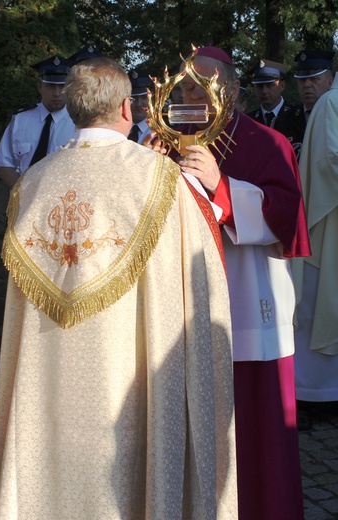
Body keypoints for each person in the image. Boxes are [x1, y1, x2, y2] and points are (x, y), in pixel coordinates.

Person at [0, 57, 238, 520]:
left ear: (76, 109)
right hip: (130, 373)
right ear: (127, 108)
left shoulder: (32, 184)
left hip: (48, 378)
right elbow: (201, 284)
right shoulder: (161, 180)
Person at [167, 46, 310, 520]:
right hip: (183, 305)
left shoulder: (267, 143)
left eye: (202, 84)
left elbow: (287, 218)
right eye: (185, 85)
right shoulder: (167, 143)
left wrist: (222, 187)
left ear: (227, 87)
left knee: (259, 430)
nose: (192, 94)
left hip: (250, 303)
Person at [292, 71, 338, 424]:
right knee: (318, 306)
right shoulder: (330, 103)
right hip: (329, 221)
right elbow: (329, 161)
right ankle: (311, 396)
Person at [0, 55, 75, 188]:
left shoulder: (78, 122)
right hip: (24, 197)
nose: (57, 93)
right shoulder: (21, 119)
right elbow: (5, 165)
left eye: (62, 87)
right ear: (39, 87)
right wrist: (24, 196)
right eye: (50, 86)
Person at [281, 50, 335, 158]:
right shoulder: (284, 120)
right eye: (302, 80)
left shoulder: (335, 117)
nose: (306, 85)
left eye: (314, 79)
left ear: (330, 82)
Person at [248, 58, 293, 129]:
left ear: (282, 85)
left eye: (269, 85)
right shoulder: (250, 121)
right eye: (259, 86)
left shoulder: (295, 116)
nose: (264, 91)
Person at [127, 68, 157, 143]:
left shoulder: (160, 131)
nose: (139, 104)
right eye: (133, 98)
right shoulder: (118, 131)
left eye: (144, 97)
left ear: (153, 98)